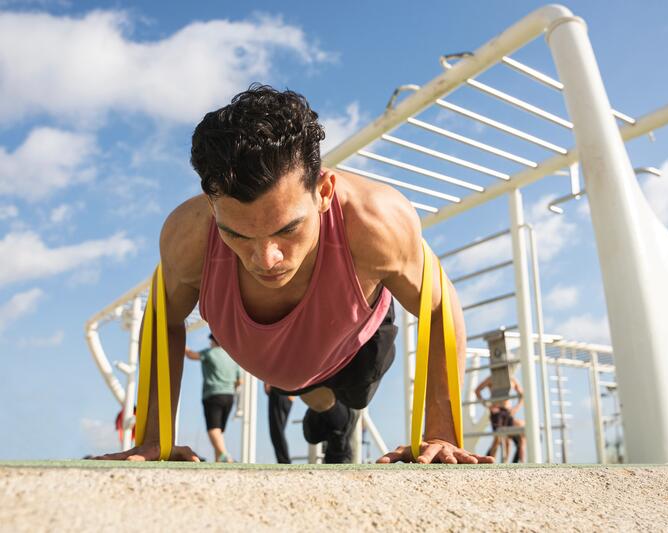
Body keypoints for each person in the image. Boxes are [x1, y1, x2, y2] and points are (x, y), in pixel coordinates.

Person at [95, 84, 492, 465]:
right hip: (282, 367)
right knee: (311, 397)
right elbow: (163, 320)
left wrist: (442, 435)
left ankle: (338, 419)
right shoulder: (187, 234)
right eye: (236, 234)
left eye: (287, 229)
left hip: (355, 351)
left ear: (324, 191)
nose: (265, 259)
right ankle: (332, 419)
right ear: (212, 205)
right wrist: (151, 439)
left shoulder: (376, 221)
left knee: (350, 400)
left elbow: (439, 307)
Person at [184, 334, 242, 462]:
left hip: (213, 394)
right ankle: (218, 462)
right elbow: (240, 381)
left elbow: (190, 355)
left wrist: (180, 341)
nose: (209, 343)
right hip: (229, 396)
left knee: (213, 429)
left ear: (214, 341)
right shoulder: (232, 357)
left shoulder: (210, 353)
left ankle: (225, 456)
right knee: (219, 431)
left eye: (210, 341)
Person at [474, 373, 525, 463]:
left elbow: (521, 394)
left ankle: (509, 464)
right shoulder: (491, 378)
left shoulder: (512, 380)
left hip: (508, 412)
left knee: (510, 440)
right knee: (497, 439)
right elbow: (477, 390)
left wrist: (515, 408)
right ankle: (490, 463)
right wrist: (488, 405)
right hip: (496, 413)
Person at [264, 381, 294, 464]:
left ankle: (284, 461)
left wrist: (267, 383)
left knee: (276, 431)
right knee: (278, 430)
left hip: (278, 391)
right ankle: (284, 461)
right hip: (289, 393)